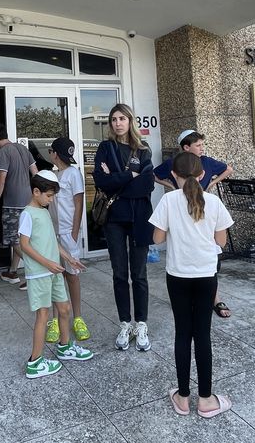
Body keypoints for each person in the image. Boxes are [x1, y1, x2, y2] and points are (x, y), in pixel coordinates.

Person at [150, 151, 234, 418]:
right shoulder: (214, 202)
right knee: (203, 335)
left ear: (173, 175)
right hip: (207, 275)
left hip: (178, 275)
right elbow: (221, 242)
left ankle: (183, 398)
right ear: (202, 174)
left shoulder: (168, 200)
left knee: (183, 334)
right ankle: (206, 399)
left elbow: (158, 239)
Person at [92, 103, 155, 351]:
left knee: (139, 274)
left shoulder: (143, 149)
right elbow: (101, 181)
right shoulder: (105, 148)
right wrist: (130, 176)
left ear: (130, 121)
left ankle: (141, 324)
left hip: (139, 217)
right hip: (114, 219)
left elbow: (147, 185)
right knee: (119, 273)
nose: (118, 123)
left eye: (122, 118)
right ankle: (125, 323)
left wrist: (115, 179)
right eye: (114, 119)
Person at [19, 171, 94, 378]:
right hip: (39, 274)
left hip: (53, 271)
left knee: (64, 308)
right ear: (36, 192)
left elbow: (52, 241)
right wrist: (48, 264)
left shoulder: (44, 212)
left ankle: (65, 346)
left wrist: (69, 259)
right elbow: (24, 245)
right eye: (49, 196)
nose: (51, 200)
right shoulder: (27, 214)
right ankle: (35, 362)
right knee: (43, 315)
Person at [154, 129, 234, 319]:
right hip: (196, 266)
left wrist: (211, 184)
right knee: (201, 325)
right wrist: (171, 186)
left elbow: (157, 238)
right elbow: (221, 241)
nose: (202, 148)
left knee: (183, 323)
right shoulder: (173, 195)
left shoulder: (207, 165)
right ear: (186, 147)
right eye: (198, 145)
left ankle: (215, 298)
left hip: (183, 267)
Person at [44, 137, 90, 343]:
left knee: (72, 275)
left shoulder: (73, 173)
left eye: (51, 151)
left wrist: (74, 232)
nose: (50, 154)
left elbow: (78, 203)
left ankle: (78, 318)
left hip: (68, 232)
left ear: (55, 154)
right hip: (53, 232)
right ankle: (55, 320)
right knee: (56, 276)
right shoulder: (52, 175)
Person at [0, 123, 37, 290]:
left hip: (12, 204)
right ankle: (13, 272)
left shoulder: (2, 152)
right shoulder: (23, 149)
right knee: (21, 238)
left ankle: (36, 270)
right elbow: (36, 174)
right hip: (28, 202)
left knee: (13, 240)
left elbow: (1, 180)